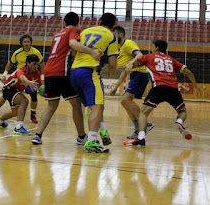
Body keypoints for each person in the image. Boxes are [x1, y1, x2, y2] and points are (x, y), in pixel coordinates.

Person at [31, 12, 102, 145]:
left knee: (51, 106)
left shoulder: (57, 34)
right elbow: (73, 46)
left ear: (64, 22)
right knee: (76, 104)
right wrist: (91, 52)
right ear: (78, 22)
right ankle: (81, 136)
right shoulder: (75, 30)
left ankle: (37, 135)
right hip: (62, 71)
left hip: (49, 71)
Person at [125, 40, 200, 146]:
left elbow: (133, 66)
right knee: (182, 111)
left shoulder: (149, 57)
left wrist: (124, 65)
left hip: (158, 88)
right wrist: (195, 85)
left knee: (143, 113)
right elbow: (188, 72)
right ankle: (179, 122)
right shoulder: (171, 60)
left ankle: (141, 138)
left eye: (153, 46)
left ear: (156, 47)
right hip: (173, 89)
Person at [70, 13, 118, 153]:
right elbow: (112, 62)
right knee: (97, 107)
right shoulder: (111, 36)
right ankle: (91, 141)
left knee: (94, 107)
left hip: (75, 72)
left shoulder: (85, 31)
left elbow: (73, 53)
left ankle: (102, 132)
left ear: (99, 21)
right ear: (114, 24)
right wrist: (110, 72)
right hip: (89, 73)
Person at [0, 34, 44, 123]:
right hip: (19, 78)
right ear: (22, 43)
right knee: (7, 97)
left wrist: (42, 79)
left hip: (30, 77)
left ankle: (33, 115)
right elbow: (10, 64)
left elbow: (42, 65)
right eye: (25, 42)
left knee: (33, 96)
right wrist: (4, 74)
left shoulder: (36, 53)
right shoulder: (17, 53)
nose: (27, 43)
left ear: (31, 42)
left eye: (28, 42)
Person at [110, 26, 154, 139]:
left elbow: (140, 55)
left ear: (120, 35)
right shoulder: (118, 50)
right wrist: (116, 87)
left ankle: (145, 123)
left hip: (141, 73)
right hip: (135, 75)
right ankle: (137, 128)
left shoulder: (128, 43)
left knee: (125, 100)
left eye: (113, 34)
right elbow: (125, 72)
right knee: (125, 102)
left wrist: (131, 63)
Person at [0, 54, 42, 135]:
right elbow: (22, 78)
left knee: (15, 113)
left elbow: (40, 85)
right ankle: (19, 127)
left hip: (16, 90)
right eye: (34, 64)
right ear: (28, 63)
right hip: (8, 89)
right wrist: (29, 82)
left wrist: (45, 91)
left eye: (37, 64)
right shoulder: (21, 70)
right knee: (24, 101)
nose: (36, 66)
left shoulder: (36, 72)